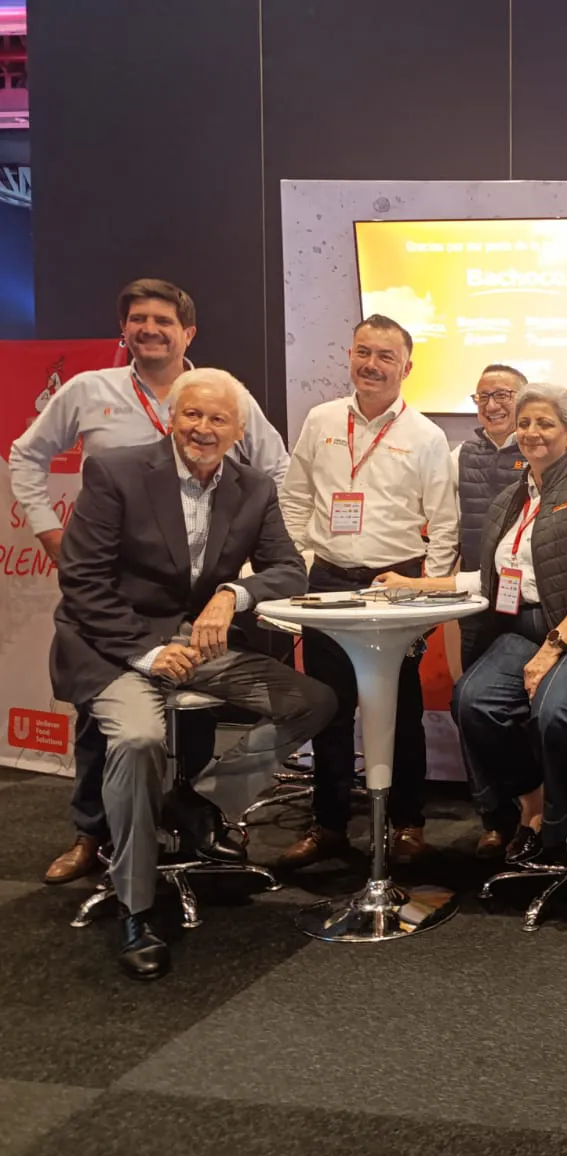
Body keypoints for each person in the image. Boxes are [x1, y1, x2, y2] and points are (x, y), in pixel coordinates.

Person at [49, 368, 335, 980]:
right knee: (138, 740)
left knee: (313, 701)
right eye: (193, 415)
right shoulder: (116, 472)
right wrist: (146, 653)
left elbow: (289, 569)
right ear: (171, 418)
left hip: (198, 646)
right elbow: (82, 581)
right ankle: (136, 908)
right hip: (116, 647)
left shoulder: (253, 487)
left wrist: (234, 593)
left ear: (237, 431)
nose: (203, 429)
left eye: (218, 419)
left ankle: (200, 802)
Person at [8, 278, 290, 888]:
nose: (150, 330)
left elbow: (275, 467)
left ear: (189, 333)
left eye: (164, 321)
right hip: (114, 599)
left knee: (197, 722)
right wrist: (50, 531)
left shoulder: (225, 392)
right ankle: (94, 835)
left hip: (193, 605)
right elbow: (25, 456)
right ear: (124, 327)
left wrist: (243, 573)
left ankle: (194, 811)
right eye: (139, 319)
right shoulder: (90, 390)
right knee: (110, 727)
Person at [380, 384, 567, 866]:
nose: (532, 432)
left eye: (546, 423)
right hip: (531, 625)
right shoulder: (513, 498)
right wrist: (418, 583)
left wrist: (550, 651)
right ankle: (533, 802)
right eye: (526, 422)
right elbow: (496, 579)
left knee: (556, 710)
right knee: (474, 702)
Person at [275, 315, 459, 870]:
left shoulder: (426, 435)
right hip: (328, 581)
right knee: (327, 709)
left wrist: (427, 598)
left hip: (394, 585)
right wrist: (305, 563)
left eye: (385, 356)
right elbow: (294, 499)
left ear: (407, 366)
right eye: (363, 352)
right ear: (349, 355)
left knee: (399, 709)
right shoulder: (322, 419)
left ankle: (408, 824)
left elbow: (444, 525)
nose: (371, 365)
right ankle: (329, 825)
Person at [448, 363, 530, 856]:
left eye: (504, 395)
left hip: (531, 605)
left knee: (526, 709)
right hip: (477, 599)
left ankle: (535, 811)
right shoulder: (459, 456)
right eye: (483, 397)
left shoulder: (543, 448)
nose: (493, 405)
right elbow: (445, 524)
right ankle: (496, 816)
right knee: (469, 706)